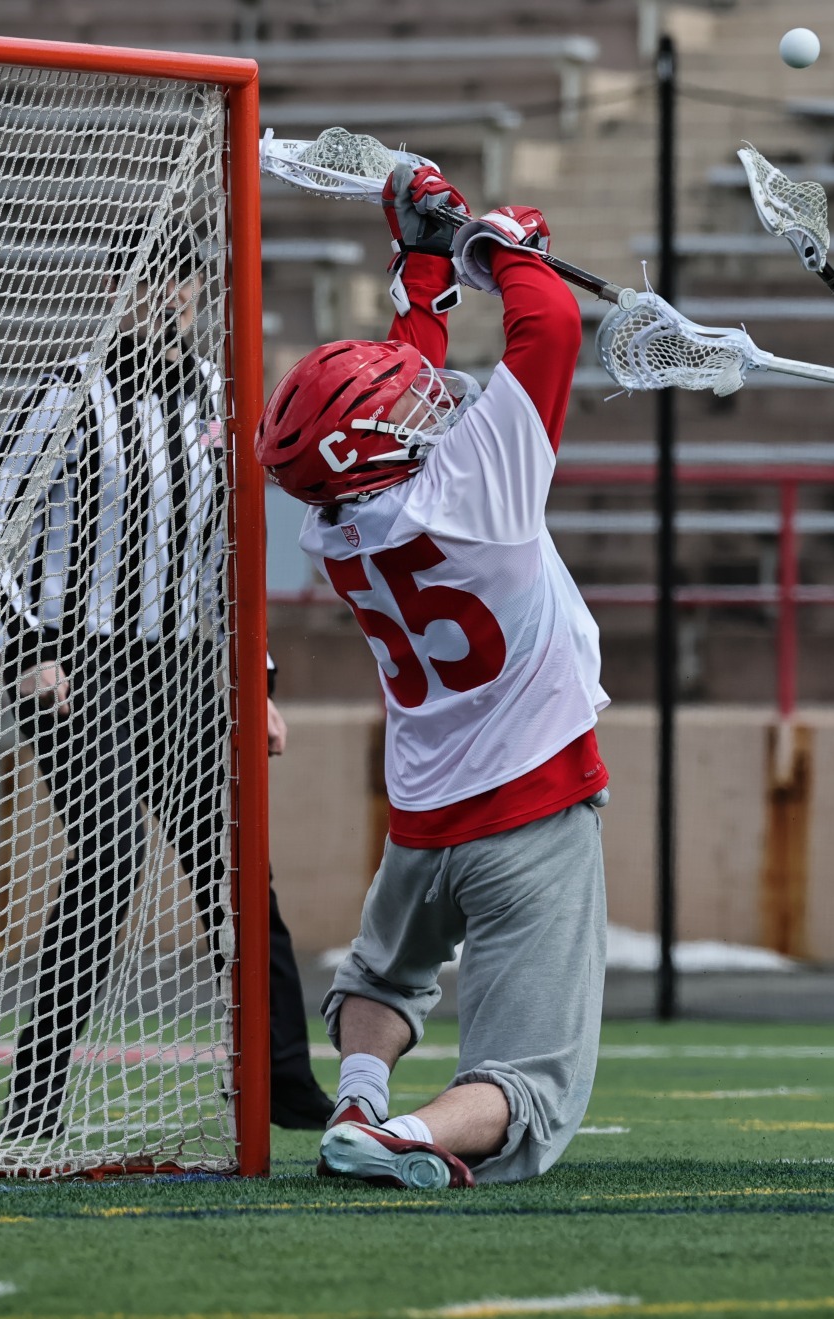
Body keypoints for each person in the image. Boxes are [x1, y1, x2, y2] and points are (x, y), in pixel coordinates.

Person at [255, 160, 607, 1189]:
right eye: (403, 406)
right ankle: (396, 1137)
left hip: (424, 807)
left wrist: (422, 271)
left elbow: (394, 388)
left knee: (380, 975)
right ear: (377, 440)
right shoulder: (469, 492)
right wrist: (494, 244)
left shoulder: (335, 524)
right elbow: (549, 329)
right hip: (532, 798)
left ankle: (361, 1087)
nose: (426, 398)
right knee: (530, 1083)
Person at [0, 216, 332, 1139]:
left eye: (182, 280)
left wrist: (261, 683)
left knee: (238, 872)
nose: (168, 296)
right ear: (119, 294)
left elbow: (236, 561)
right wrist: (26, 648)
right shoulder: (70, 396)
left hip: (187, 665)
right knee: (111, 855)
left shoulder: (221, 399)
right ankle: (34, 1104)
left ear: (201, 291)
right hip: (77, 665)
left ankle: (286, 1082)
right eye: (149, 280)